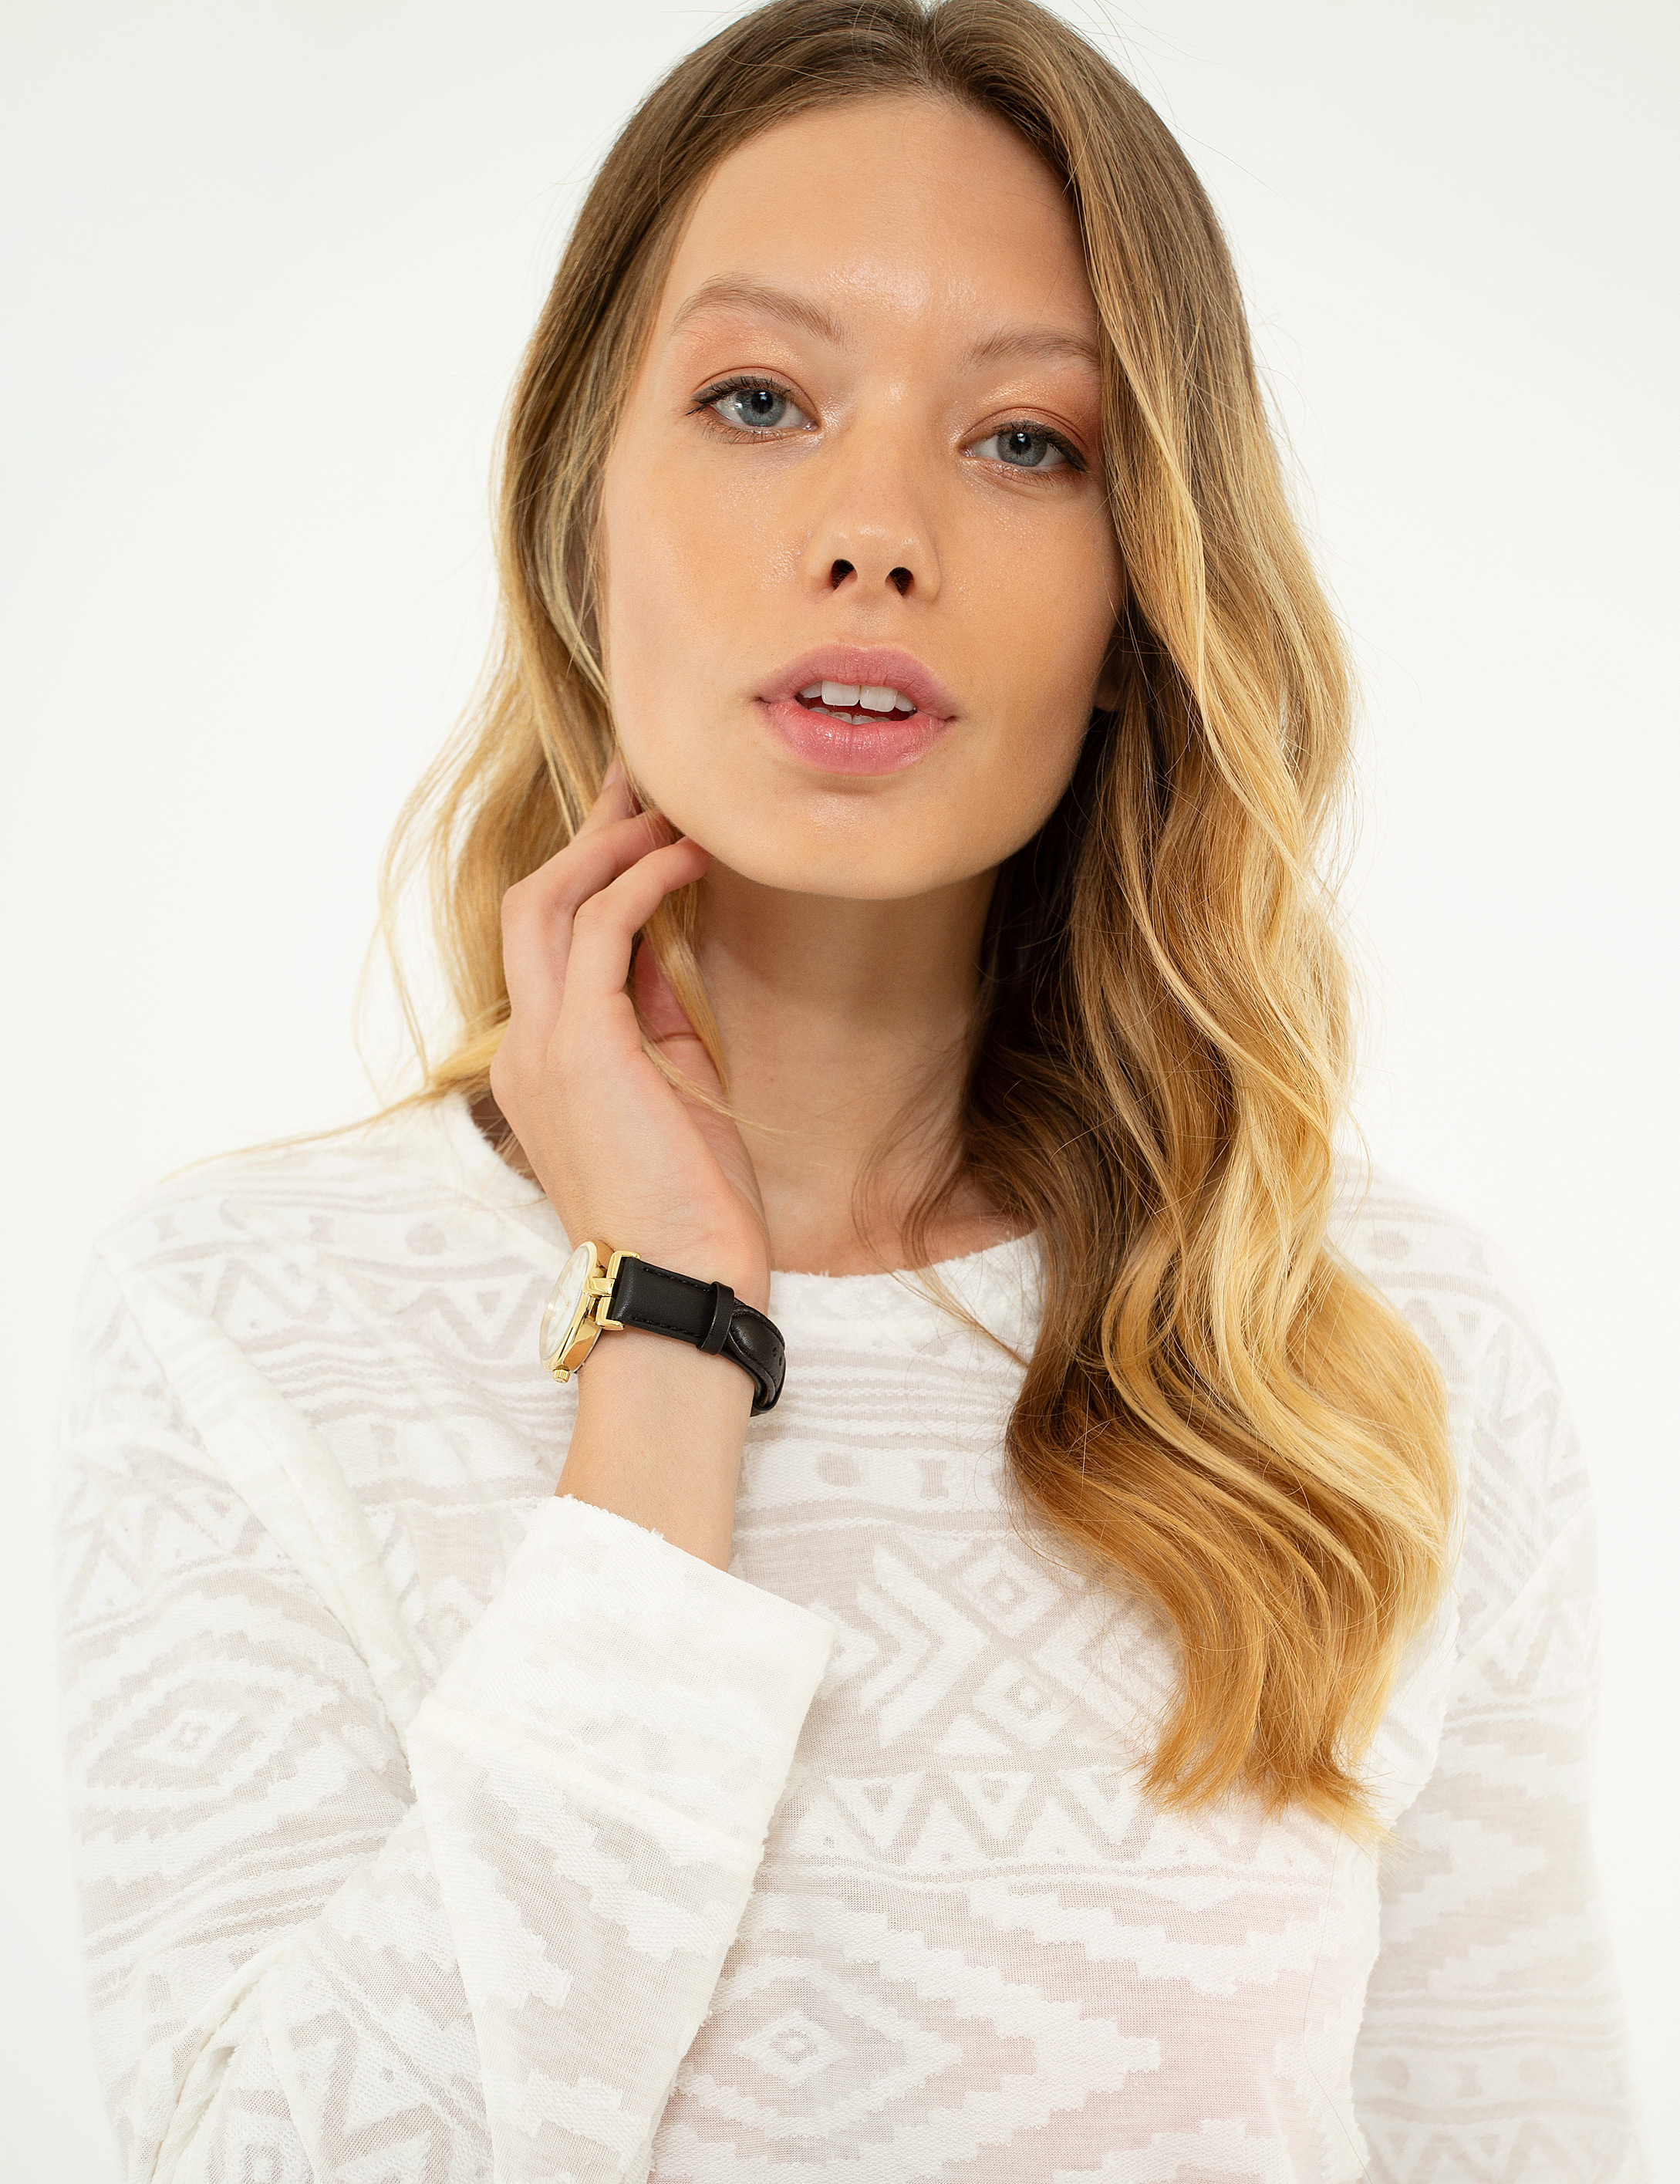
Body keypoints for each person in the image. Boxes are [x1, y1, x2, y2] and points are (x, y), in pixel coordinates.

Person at [55, 2, 1648, 2179]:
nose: (876, 530)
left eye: (1027, 442)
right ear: (574, 509)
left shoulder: (1376, 1355)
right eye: (757, 400)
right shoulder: (244, 1320)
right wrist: (668, 1330)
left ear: (1140, 598)